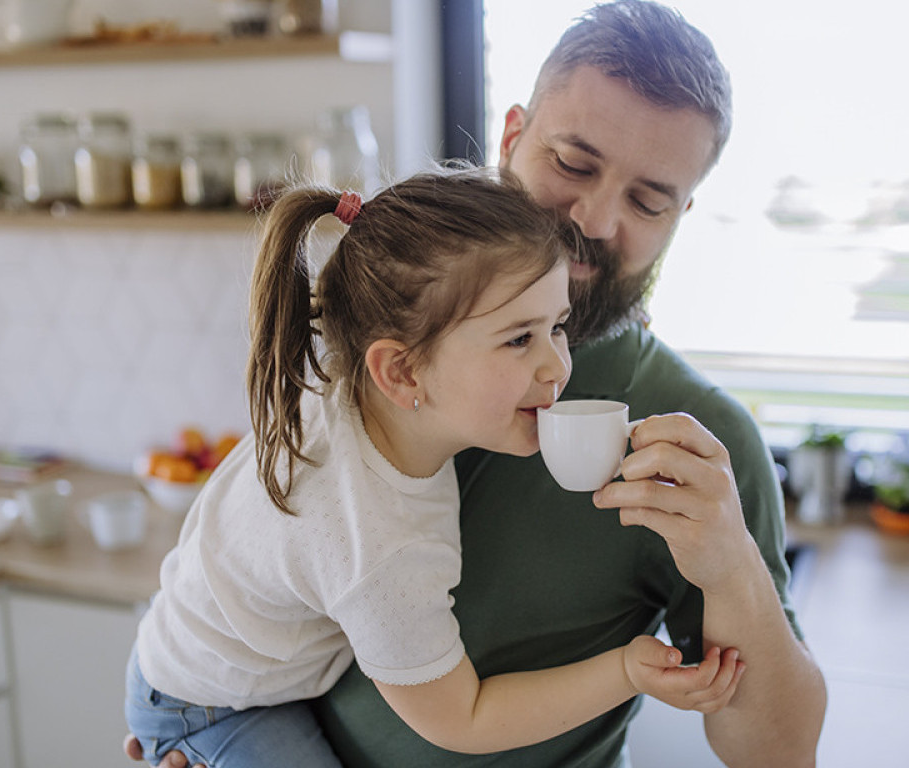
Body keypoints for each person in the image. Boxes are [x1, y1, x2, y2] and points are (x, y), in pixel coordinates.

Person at [128, 2, 827, 765]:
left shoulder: (697, 443)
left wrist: (732, 566)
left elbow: (777, 755)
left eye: (648, 200)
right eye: (573, 163)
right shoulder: (375, 328)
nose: (594, 220)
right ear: (510, 136)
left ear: (681, 216)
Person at [124, 166, 746, 768]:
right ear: (400, 372)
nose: (558, 366)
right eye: (518, 339)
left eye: (557, 326)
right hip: (208, 708)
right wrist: (626, 670)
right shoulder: (377, 545)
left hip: (186, 648)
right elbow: (464, 718)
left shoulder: (352, 386)